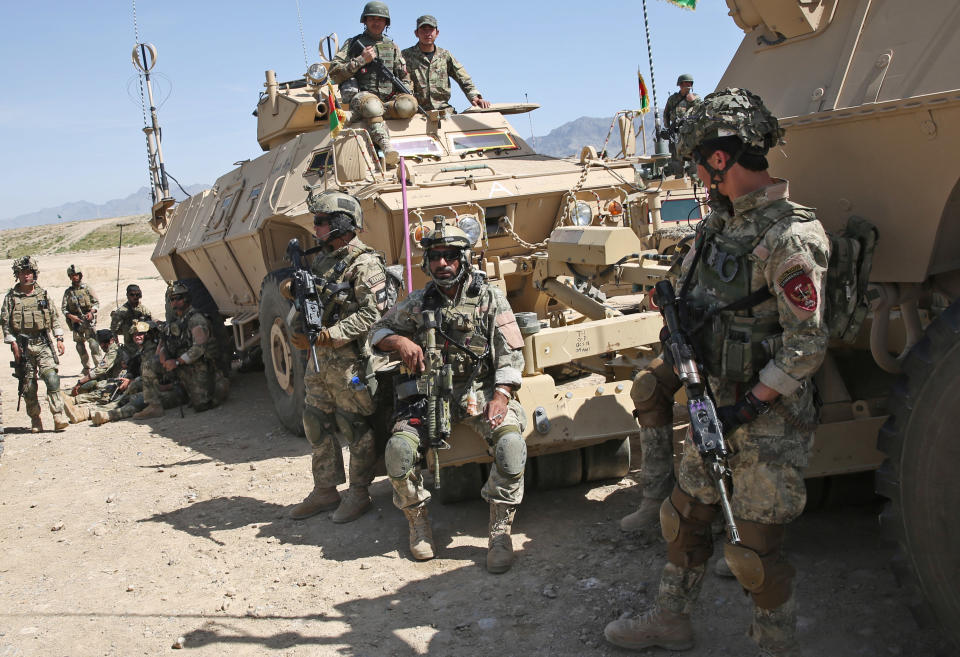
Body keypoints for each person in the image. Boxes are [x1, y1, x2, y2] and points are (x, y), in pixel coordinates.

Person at [603, 88, 829, 657]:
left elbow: (806, 343)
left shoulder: (791, 236)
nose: (701, 174)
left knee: (753, 551)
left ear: (722, 157)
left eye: (702, 160)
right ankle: (670, 619)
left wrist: (750, 403)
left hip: (764, 413)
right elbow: (689, 292)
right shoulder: (718, 226)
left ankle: (776, 647)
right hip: (711, 399)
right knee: (683, 517)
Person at [369, 217, 527, 573]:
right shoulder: (417, 302)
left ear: (464, 259)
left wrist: (501, 397)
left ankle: (500, 530)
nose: (443, 263)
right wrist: (401, 340)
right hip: (429, 396)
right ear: (427, 263)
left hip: (480, 392)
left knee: (511, 447)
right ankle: (417, 521)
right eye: (436, 256)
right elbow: (377, 333)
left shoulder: (490, 299)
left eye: (451, 256)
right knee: (397, 453)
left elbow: (511, 354)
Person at [284, 190, 392, 524]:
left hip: (350, 362)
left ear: (341, 225)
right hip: (320, 362)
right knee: (315, 422)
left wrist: (332, 335)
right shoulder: (322, 260)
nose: (315, 228)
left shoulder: (365, 264)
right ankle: (325, 490)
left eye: (321, 222)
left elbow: (375, 313)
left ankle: (359, 493)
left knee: (353, 425)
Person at [329, 1, 416, 166]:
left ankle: (359, 116)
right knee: (372, 107)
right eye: (372, 19)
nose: (376, 23)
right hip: (362, 98)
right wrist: (361, 60)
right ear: (365, 21)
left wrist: (406, 92)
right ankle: (386, 146)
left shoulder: (392, 47)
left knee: (408, 106)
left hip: (388, 99)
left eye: (380, 19)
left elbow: (403, 76)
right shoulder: (353, 44)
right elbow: (334, 73)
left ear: (386, 23)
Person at [133, 281, 227, 418]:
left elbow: (199, 348)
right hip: (181, 365)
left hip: (199, 366)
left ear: (187, 299)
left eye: (179, 298)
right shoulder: (176, 321)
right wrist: (163, 355)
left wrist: (177, 362)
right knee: (149, 365)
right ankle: (154, 406)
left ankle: (219, 384)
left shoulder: (196, 320)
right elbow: (166, 343)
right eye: (172, 299)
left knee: (202, 405)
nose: (175, 302)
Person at [1, 256, 69, 432]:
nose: (26, 276)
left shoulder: (42, 294)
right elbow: (6, 324)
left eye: (29, 273)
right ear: (17, 275)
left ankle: (58, 415)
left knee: (52, 378)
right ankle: (35, 419)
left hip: (43, 342)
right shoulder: (11, 298)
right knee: (28, 386)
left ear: (34, 274)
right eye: (23, 273)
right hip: (23, 346)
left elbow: (54, 318)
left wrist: (59, 338)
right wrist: (13, 344)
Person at [401, 15, 490, 113]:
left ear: (437, 33)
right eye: (423, 30)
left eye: (431, 30)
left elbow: (463, 78)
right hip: (416, 112)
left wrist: (475, 97)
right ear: (416, 33)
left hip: (443, 111)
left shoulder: (444, 56)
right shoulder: (405, 56)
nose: (427, 33)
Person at [62, 329, 131, 422]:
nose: (102, 346)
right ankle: (68, 394)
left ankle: (77, 401)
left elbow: (100, 370)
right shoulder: (113, 349)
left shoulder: (114, 351)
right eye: (101, 343)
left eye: (104, 343)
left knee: (103, 388)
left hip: (119, 382)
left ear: (111, 341)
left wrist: (80, 381)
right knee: (93, 382)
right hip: (112, 378)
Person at [61, 264, 102, 377]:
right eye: (72, 275)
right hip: (76, 323)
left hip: (88, 321)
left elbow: (96, 303)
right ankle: (86, 368)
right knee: (80, 345)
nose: (75, 277)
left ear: (80, 275)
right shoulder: (68, 292)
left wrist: (91, 312)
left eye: (76, 275)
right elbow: (64, 309)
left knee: (93, 344)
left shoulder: (87, 288)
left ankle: (99, 366)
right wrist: (71, 317)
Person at [110, 284, 153, 349]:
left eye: (137, 295)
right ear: (127, 295)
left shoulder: (144, 310)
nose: (135, 297)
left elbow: (151, 325)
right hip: (130, 347)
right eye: (132, 295)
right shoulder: (121, 312)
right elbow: (113, 330)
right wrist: (117, 346)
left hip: (144, 345)